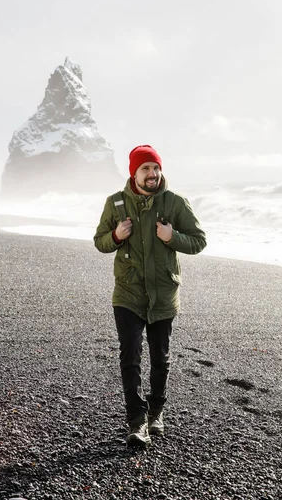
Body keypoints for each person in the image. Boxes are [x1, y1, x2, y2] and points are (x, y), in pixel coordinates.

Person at [94, 145, 206, 448]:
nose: (152, 173)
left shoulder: (175, 202)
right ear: (134, 172)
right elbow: (100, 242)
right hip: (128, 292)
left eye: (155, 168)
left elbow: (199, 241)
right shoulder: (115, 204)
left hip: (163, 293)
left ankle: (156, 413)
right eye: (146, 168)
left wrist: (173, 238)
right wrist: (116, 236)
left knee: (161, 357)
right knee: (130, 356)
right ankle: (137, 421)